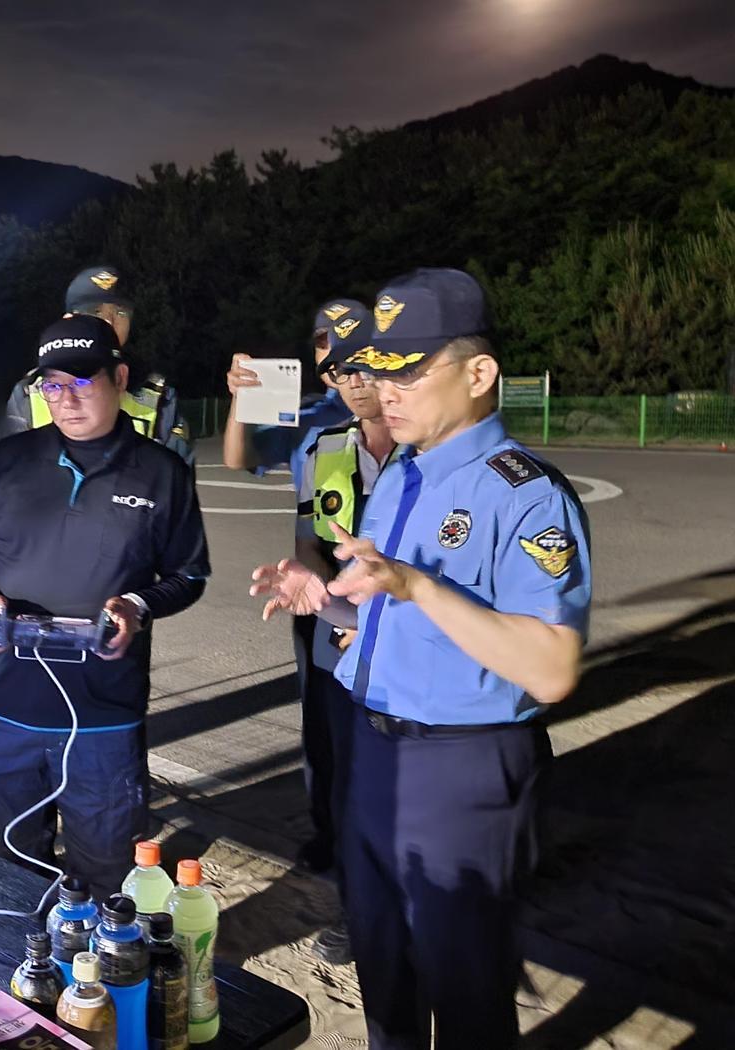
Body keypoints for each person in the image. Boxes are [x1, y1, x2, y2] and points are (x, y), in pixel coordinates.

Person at [250, 269, 591, 1049]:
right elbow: (392, 620)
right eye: (379, 367)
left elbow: (552, 668)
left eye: (410, 368)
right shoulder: (403, 474)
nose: (386, 387)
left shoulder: (527, 495)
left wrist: (416, 585)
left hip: (462, 772)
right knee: (383, 971)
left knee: (465, 989)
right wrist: (327, 600)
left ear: (479, 374)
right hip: (371, 753)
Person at [0, 313, 210, 897]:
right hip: (4, 708)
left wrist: (138, 604)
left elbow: (190, 575)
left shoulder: (162, 472)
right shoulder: (7, 461)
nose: (67, 399)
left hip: (104, 721)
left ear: (119, 377)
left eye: (83, 381)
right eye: (53, 384)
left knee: (107, 874)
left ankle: (87, 987)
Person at [255, 304, 398, 963]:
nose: (353, 379)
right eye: (339, 370)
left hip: (416, 653)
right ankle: (360, 908)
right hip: (344, 651)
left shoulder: (435, 449)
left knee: (418, 793)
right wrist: (316, 594)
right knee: (349, 785)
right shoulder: (324, 448)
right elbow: (308, 545)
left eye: (364, 362)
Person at [0, 266, 196, 466]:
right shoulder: (29, 393)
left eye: (120, 312)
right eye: (95, 311)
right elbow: (8, 476)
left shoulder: (159, 397)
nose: (109, 321)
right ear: (69, 320)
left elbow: (178, 483)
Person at [221, 300, 360, 485]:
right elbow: (237, 459)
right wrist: (241, 396)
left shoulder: (392, 406)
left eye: (344, 342)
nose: (332, 354)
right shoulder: (306, 417)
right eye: (322, 345)